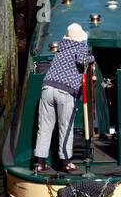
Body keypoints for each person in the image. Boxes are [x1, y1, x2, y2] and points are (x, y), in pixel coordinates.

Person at [33, 22, 94, 173]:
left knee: (45, 127)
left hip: (47, 88)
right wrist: (91, 58)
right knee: (65, 127)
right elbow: (82, 60)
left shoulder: (60, 48)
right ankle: (66, 163)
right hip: (64, 92)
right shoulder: (81, 47)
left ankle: (40, 163)